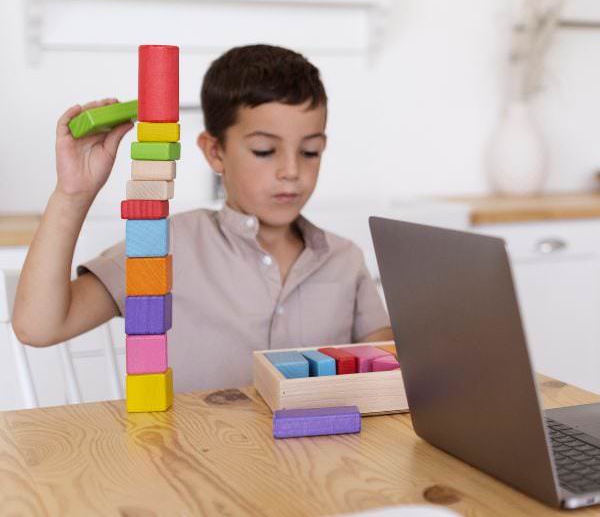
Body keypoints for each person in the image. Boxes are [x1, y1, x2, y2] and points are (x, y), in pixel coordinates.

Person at [12, 44, 391, 392]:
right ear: (215, 152)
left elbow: (389, 368)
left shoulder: (345, 259)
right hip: (197, 445)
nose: (291, 171)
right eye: (264, 150)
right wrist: (73, 193)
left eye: (310, 152)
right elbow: (38, 327)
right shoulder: (166, 244)